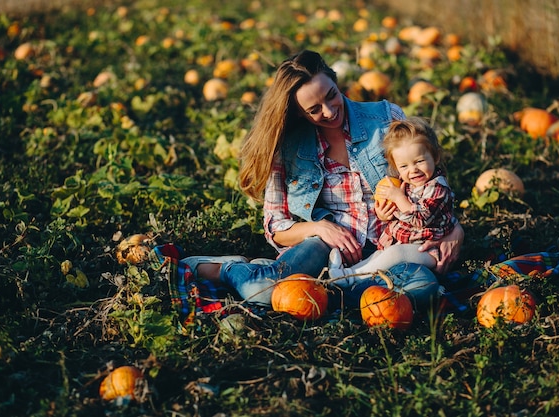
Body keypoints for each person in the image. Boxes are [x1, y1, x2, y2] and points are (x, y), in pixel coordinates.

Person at [182, 50, 464, 309]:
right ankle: (229, 269)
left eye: (331, 95)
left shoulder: (385, 117)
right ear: (298, 113)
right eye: (314, 109)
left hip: (387, 249)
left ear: (335, 80)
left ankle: (323, 290)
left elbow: (430, 183)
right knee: (262, 288)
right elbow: (275, 226)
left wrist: (455, 231)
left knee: (423, 287)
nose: (329, 111)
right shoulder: (289, 147)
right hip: (323, 247)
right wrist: (320, 228)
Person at [327, 117, 458, 286]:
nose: (413, 170)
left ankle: (350, 277)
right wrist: (384, 214)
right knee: (379, 256)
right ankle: (343, 275)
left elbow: (421, 218)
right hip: (406, 245)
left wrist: (399, 198)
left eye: (419, 161)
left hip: (428, 251)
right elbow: (399, 213)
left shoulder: (438, 188)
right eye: (404, 166)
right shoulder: (407, 185)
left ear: (435, 157)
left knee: (395, 253)